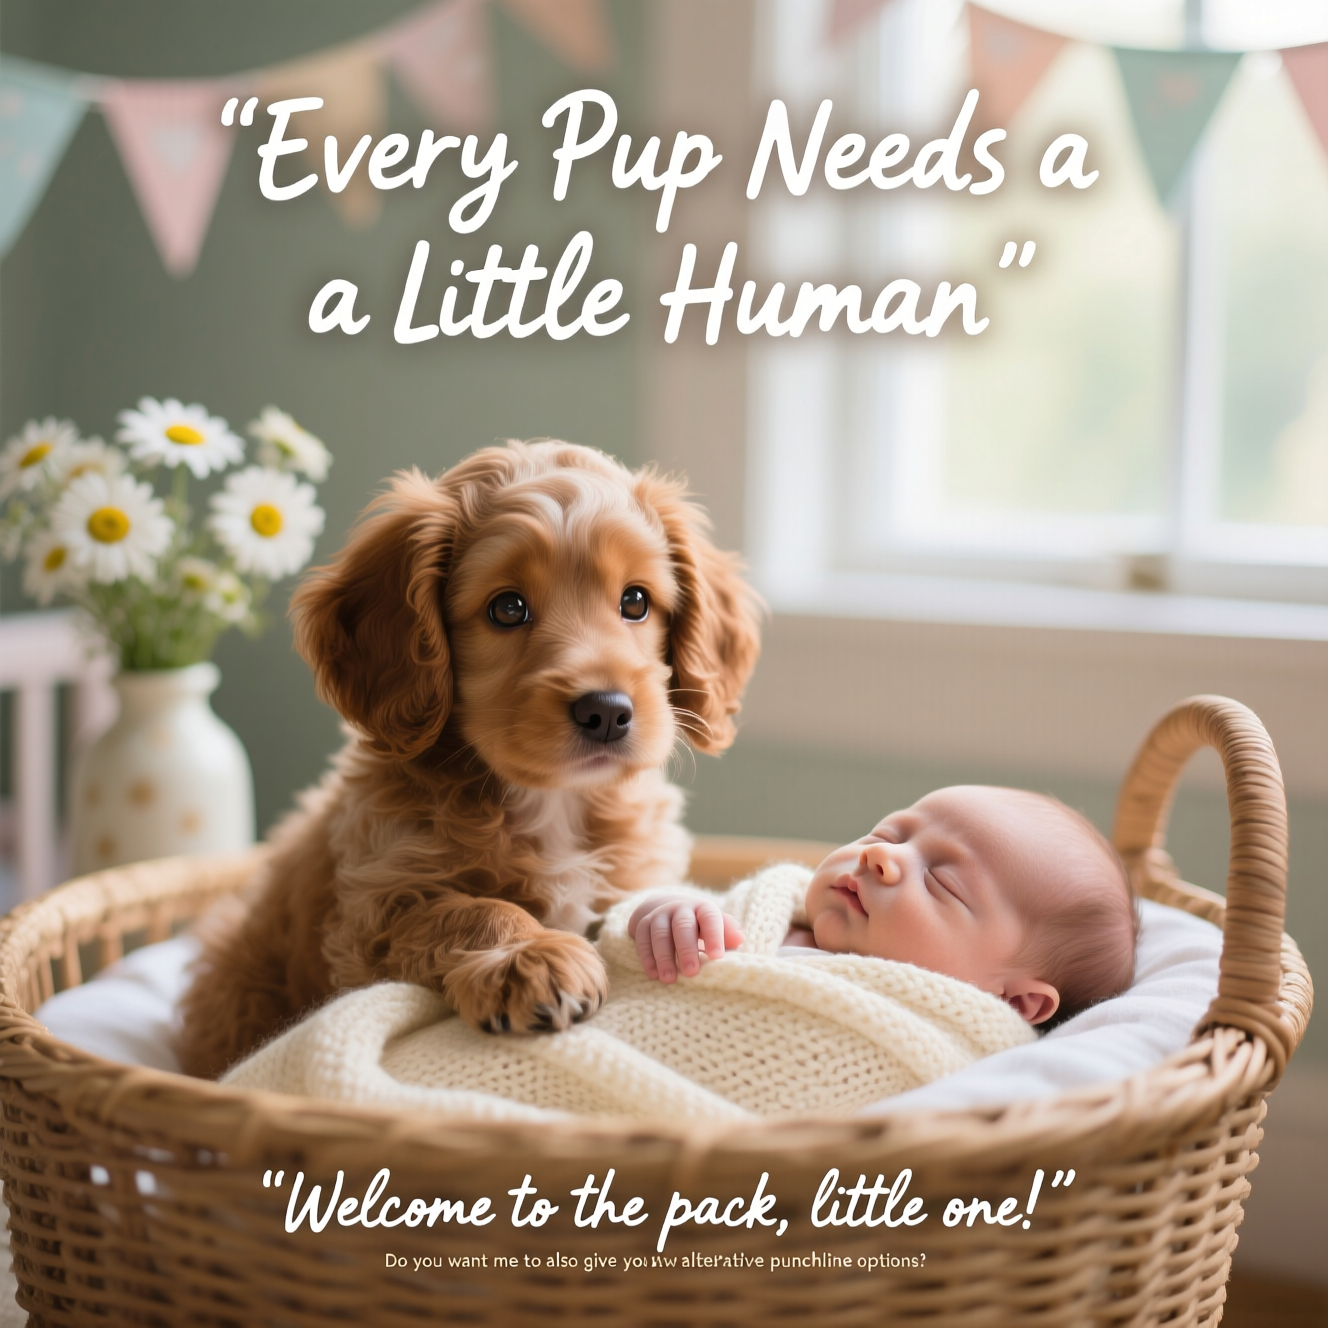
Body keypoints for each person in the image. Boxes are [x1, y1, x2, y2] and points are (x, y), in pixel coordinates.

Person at [629, 786, 1138, 1026]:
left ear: (1014, 1003)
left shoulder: (942, 1044)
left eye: (941, 882)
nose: (881, 856)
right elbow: (612, 941)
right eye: (888, 833)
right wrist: (668, 913)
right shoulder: (765, 913)